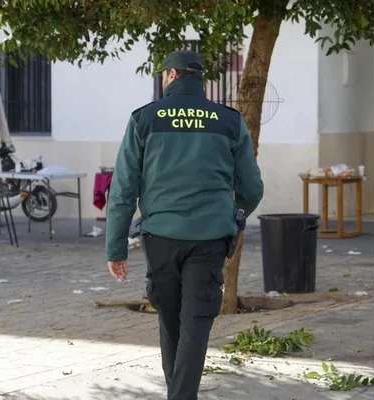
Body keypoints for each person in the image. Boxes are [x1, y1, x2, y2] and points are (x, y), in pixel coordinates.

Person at [104, 49, 263, 400]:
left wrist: (115, 248)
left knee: (170, 317)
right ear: (198, 78)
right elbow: (252, 189)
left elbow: (123, 189)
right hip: (209, 238)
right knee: (196, 321)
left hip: (160, 237)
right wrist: (234, 215)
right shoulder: (228, 120)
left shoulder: (145, 119)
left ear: (171, 76)